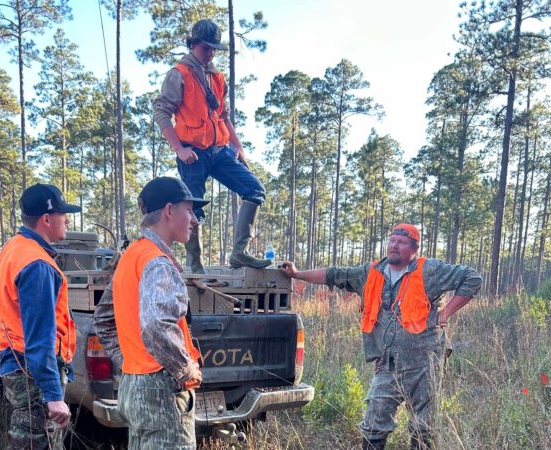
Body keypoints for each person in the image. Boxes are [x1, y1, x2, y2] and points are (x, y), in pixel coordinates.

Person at [281, 224, 482, 450]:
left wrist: (446, 313)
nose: (394, 245)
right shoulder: (372, 272)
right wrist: (297, 274)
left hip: (426, 362)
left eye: (402, 242)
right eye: (392, 240)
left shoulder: (429, 270)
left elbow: (472, 278)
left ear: (414, 248)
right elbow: (335, 275)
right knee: (374, 421)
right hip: (388, 364)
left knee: (423, 427)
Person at [153, 19, 269, 273]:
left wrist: (238, 146)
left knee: (254, 189)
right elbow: (161, 112)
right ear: (193, 44)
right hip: (192, 152)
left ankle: (239, 253)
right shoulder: (179, 74)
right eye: (206, 47)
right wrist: (179, 150)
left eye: (214, 48)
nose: (211, 53)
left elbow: (223, 116)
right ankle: (196, 267)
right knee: (194, 209)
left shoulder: (217, 77)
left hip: (219, 150)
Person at [111, 176, 206, 449]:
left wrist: (129, 361)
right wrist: (185, 369)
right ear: (168, 210)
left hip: (134, 384)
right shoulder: (156, 262)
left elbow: (104, 318)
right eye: (189, 210)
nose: (194, 219)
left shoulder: (132, 255)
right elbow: (155, 325)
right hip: (160, 390)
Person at [0, 183, 80, 449]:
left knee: (27, 438)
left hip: (19, 364)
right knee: (39, 443)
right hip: (33, 373)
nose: (66, 219)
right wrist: (53, 395)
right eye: (63, 213)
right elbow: (40, 338)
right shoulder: (38, 265)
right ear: (46, 219)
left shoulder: (15, 247)